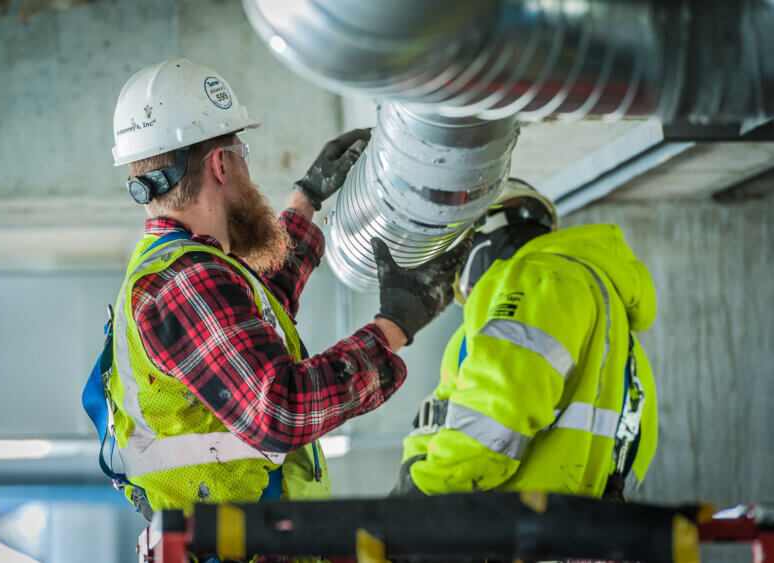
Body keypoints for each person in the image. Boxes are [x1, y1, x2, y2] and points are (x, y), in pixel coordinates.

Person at [99, 58, 469, 518]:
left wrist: (307, 199)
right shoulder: (183, 280)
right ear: (220, 164)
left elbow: (251, 316)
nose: (245, 170)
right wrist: (392, 327)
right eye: (242, 154)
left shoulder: (179, 270)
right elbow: (282, 410)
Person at [395, 179, 658, 501]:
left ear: (474, 240)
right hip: (574, 530)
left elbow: (497, 411)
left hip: (512, 526)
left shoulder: (536, 279)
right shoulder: (616, 334)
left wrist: (425, 490)